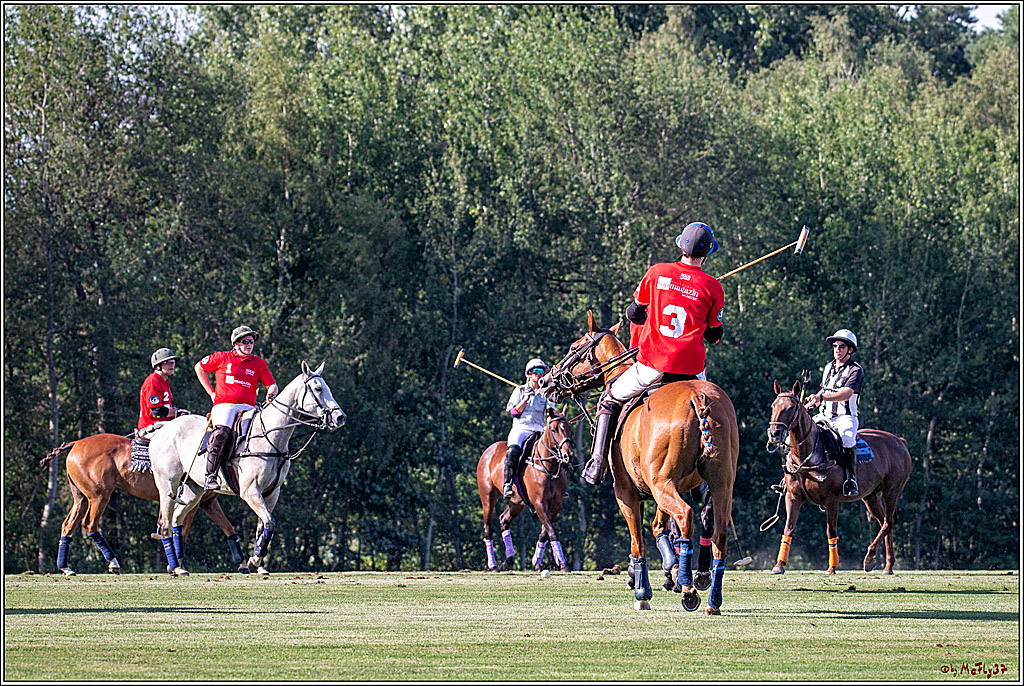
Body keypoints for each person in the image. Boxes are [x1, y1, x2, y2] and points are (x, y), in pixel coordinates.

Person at [582, 221, 725, 486]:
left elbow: (633, 313)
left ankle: (597, 463)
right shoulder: (713, 287)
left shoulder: (657, 272)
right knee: (710, 413)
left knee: (609, 397)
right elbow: (714, 335)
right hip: (692, 370)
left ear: (681, 245)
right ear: (706, 254)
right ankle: (705, 482)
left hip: (653, 364)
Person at [194, 326, 278, 490]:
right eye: (245, 342)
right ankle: (210, 475)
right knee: (221, 433)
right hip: (225, 405)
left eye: (251, 342)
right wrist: (211, 392)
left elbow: (272, 385)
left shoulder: (259, 363)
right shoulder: (222, 357)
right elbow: (199, 367)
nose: (249, 345)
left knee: (257, 435)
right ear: (236, 344)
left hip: (248, 407)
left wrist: (271, 393)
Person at [804, 329, 863, 496]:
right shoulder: (828, 367)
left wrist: (822, 397)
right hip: (824, 415)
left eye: (841, 346)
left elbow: (846, 393)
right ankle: (789, 478)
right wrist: (814, 401)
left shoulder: (855, 370)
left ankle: (850, 480)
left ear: (850, 350)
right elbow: (824, 389)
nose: (837, 349)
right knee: (799, 433)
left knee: (847, 438)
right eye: (835, 346)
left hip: (845, 417)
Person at [503, 358, 557, 498]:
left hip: (540, 429)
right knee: (513, 450)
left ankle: (558, 484)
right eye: (536, 371)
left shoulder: (547, 393)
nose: (539, 374)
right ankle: (507, 483)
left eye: (542, 371)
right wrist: (525, 399)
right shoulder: (519, 390)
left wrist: (554, 418)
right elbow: (514, 412)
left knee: (559, 450)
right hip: (521, 428)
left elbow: (550, 414)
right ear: (529, 374)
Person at [138, 348, 188, 436]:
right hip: (151, 428)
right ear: (158, 366)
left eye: (173, 362)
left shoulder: (164, 382)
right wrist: (176, 413)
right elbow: (157, 411)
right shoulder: (153, 382)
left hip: (162, 427)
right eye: (167, 362)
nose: (172, 364)